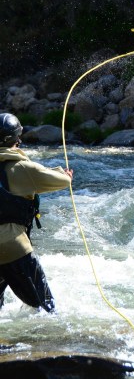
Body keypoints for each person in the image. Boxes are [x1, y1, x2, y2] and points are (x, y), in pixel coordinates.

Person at [0, 113, 73, 312]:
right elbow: (63, 181)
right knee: (45, 307)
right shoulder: (22, 167)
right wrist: (64, 174)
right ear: (17, 139)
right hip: (13, 248)